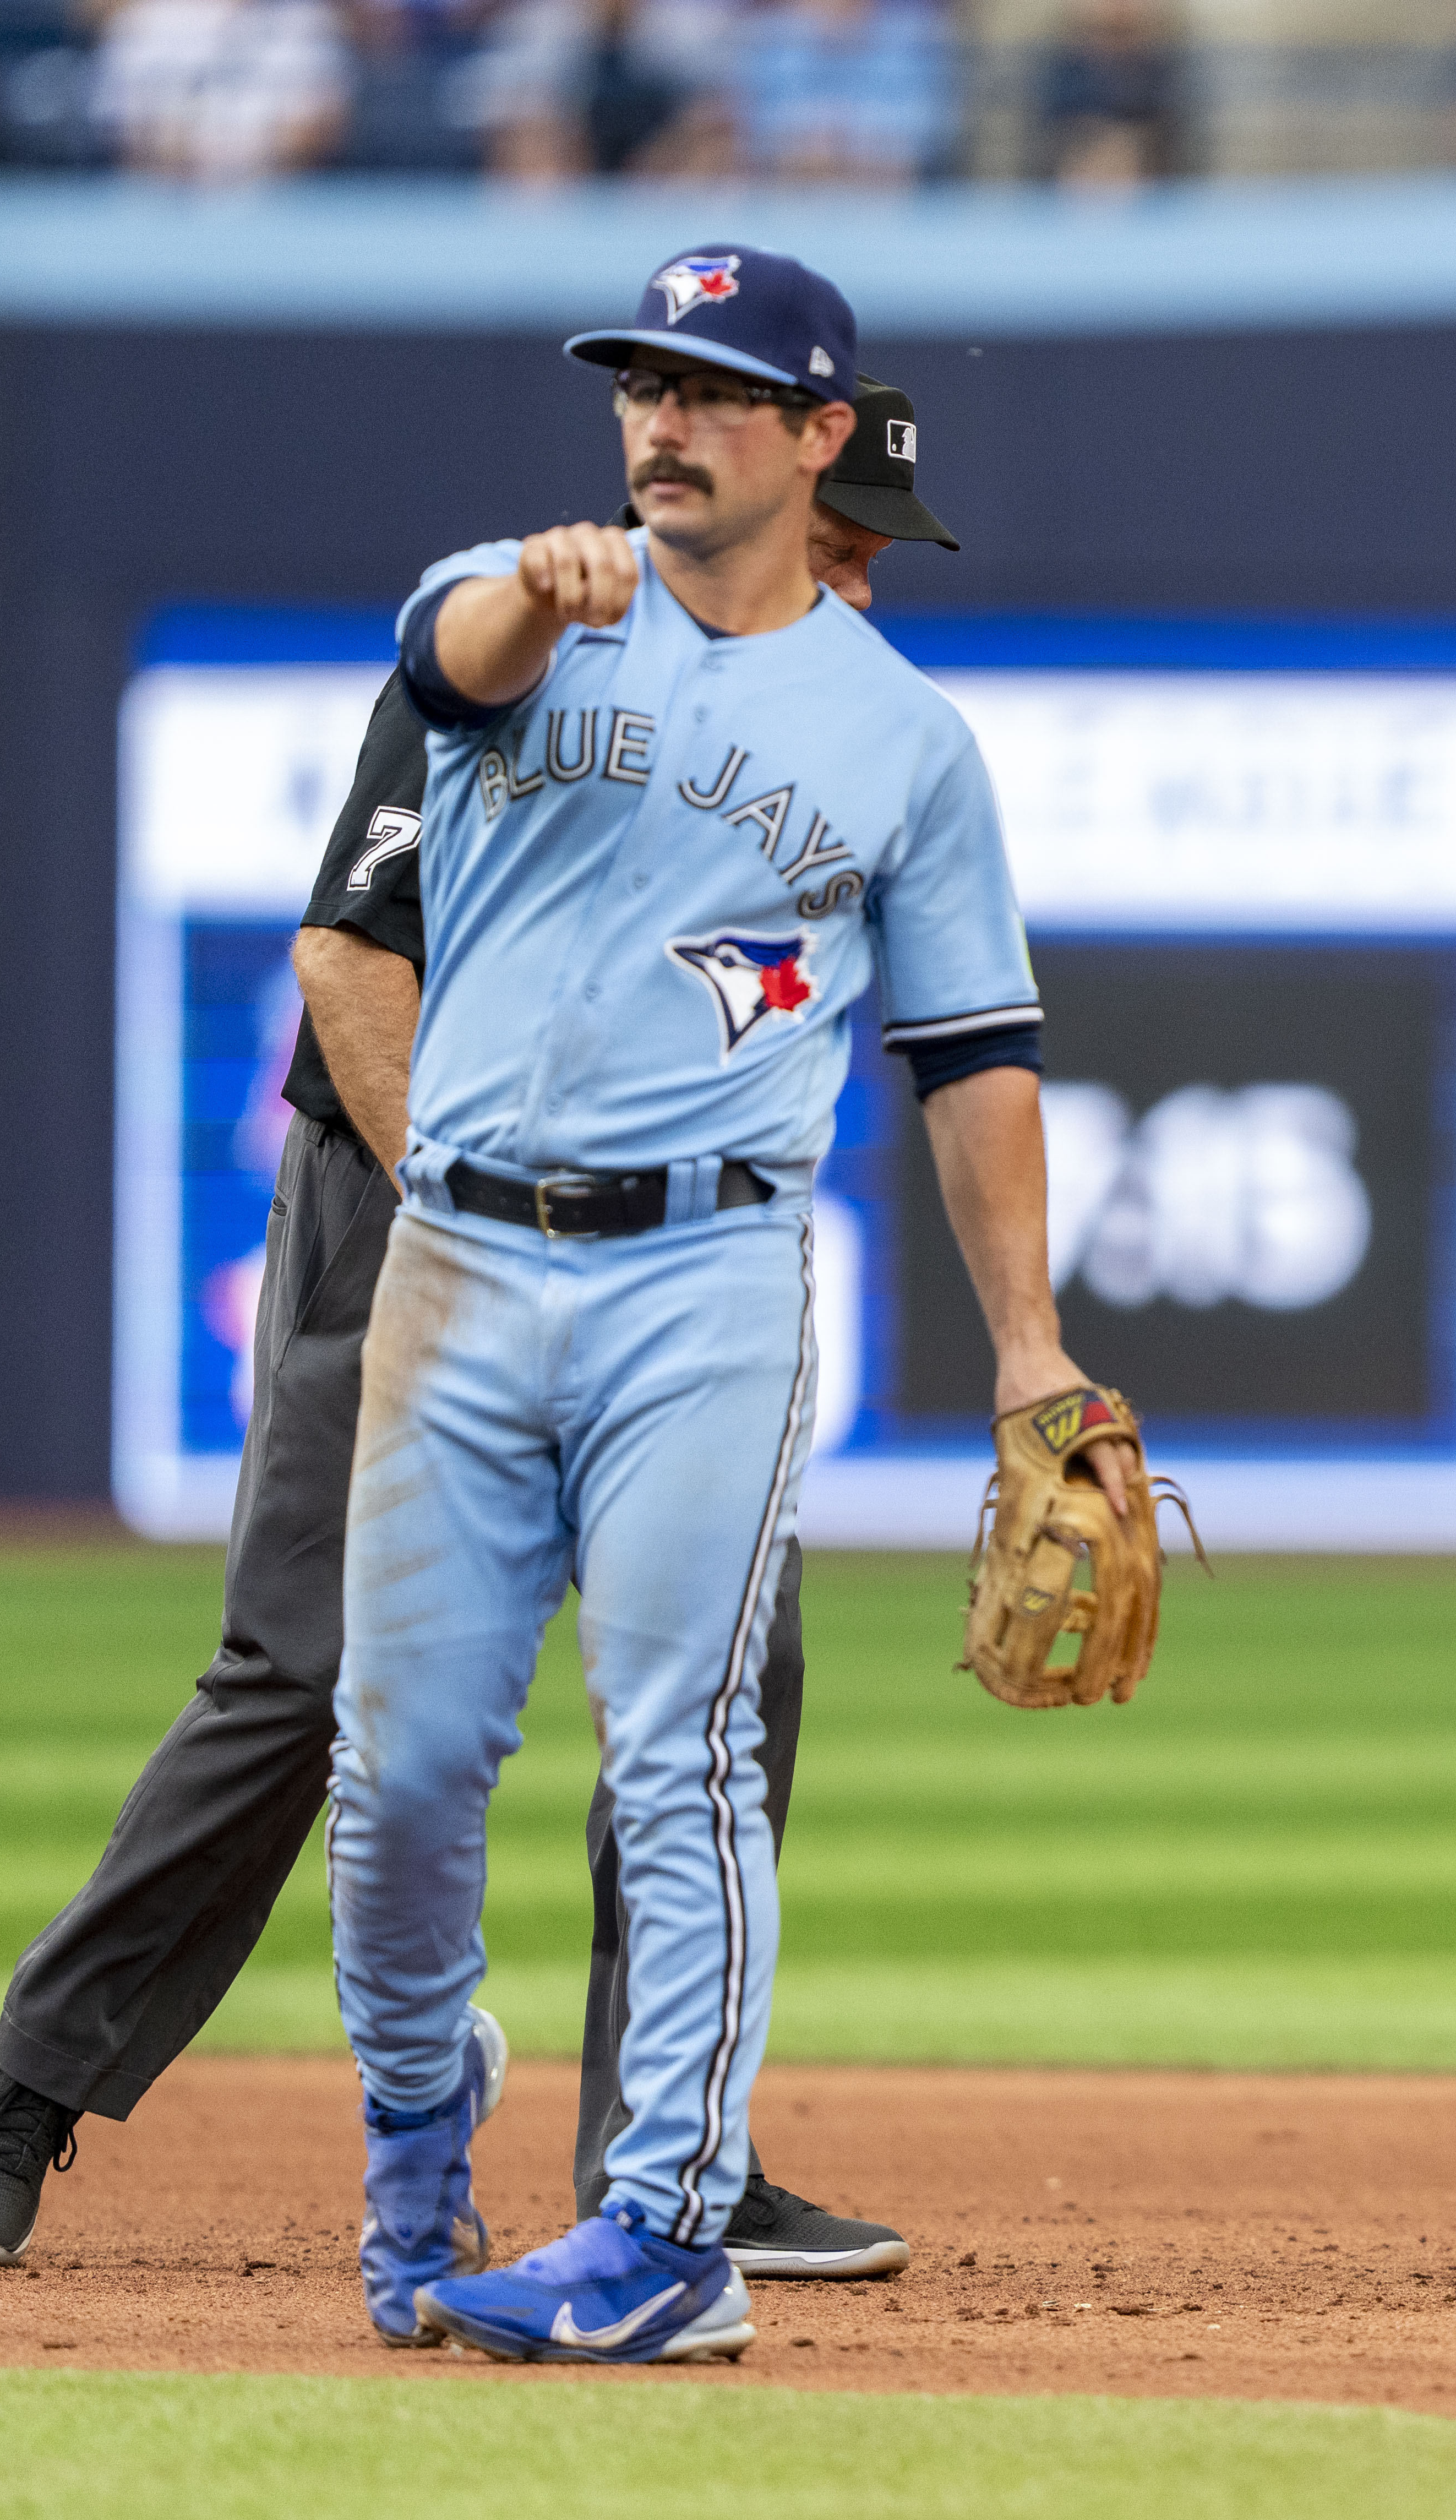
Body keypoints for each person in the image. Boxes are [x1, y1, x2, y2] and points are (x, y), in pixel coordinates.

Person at [0, 369, 969, 2288]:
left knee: (730, 1674)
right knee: (305, 1667)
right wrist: (458, 1226)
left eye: (882, 559)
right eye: (851, 548)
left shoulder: (835, 731)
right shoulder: (521, 644)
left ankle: (669, 2171)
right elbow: (344, 954)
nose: (869, 588)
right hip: (395, 1205)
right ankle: (27, 2092)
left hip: (647, 1274)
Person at [334, 242, 1133, 2366]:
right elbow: (443, 659)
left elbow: (971, 1053)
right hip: (462, 1248)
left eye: (706, 391)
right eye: (636, 385)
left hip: (709, 1266)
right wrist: (534, 587)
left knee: (679, 1750)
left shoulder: (901, 740)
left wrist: (1030, 1342)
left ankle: (669, 2225)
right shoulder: (522, 605)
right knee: (399, 1770)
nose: (657, 422)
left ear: (810, 435)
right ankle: (420, 2149)